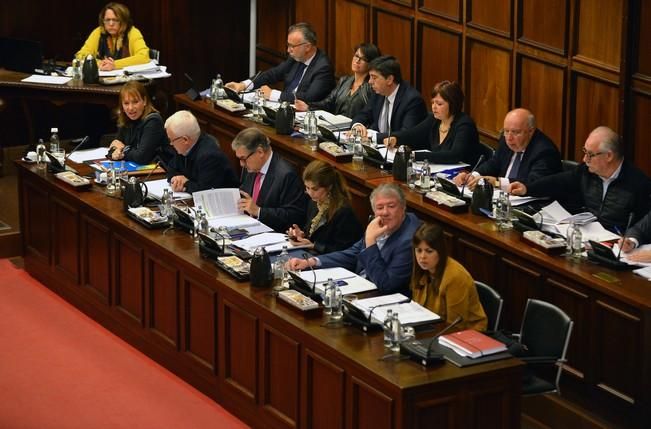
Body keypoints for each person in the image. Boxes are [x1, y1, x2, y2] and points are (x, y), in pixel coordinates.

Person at [509, 126, 651, 231]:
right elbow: (559, 181)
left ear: (609, 156)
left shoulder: (638, 185)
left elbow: (641, 227)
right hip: (585, 234)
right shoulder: (587, 171)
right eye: (584, 152)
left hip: (613, 246)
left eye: (590, 154)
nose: (584, 159)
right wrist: (528, 188)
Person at [287, 183, 422, 294]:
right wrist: (310, 262)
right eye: (380, 208)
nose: (385, 212)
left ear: (403, 207)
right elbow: (352, 254)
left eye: (391, 206)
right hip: (358, 285)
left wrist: (370, 242)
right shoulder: (380, 223)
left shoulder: (410, 239)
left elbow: (386, 284)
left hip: (381, 298)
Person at [453, 108, 561, 190]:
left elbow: (533, 182)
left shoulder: (545, 151)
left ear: (531, 131)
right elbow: (494, 163)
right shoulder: (506, 139)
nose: (509, 138)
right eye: (506, 131)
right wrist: (473, 176)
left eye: (515, 132)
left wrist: (497, 182)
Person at [225, 22, 335, 103]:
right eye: (288, 45)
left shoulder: (323, 68)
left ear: (307, 47)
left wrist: (272, 94)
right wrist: (243, 85)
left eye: (292, 46)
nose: (288, 50)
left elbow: (309, 98)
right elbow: (272, 74)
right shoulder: (295, 58)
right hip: (283, 108)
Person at [410, 223, 487, 331]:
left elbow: (454, 326)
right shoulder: (423, 270)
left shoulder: (455, 277)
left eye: (429, 251)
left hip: (466, 335)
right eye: (418, 250)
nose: (422, 257)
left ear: (440, 251)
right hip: (432, 330)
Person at [385, 80, 482, 165]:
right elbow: (413, 134)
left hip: (463, 177)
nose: (434, 107)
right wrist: (395, 138)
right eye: (432, 102)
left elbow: (454, 155)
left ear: (453, 104)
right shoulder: (435, 119)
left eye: (439, 104)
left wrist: (416, 155)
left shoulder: (465, 125)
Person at [233, 128, 308, 232]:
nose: (241, 164)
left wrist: (259, 211)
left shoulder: (286, 175)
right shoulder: (250, 167)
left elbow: (294, 216)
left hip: (273, 235)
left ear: (260, 152)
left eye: (243, 158)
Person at [286, 160, 363, 254]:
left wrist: (314, 245)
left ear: (329, 187)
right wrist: (301, 236)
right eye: (307, 187)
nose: (310, 193)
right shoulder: (314, 202)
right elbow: (313, 235)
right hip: (312, 255)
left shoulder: (343, 211)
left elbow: (345, 251)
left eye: (315, 189)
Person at [350, 55, 428, 145]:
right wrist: (357, 125)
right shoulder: (378, 93)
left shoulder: (412, 101)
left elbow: (406, 135)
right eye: (370, 77)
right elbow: (364, 114)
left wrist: (373, 137)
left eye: (374, 77)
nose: (370, 82)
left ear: (389, 79)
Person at [294, 43, 380, 118]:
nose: (357, 61)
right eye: (356, 56)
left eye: (363, 59)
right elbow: (328, 102)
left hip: (356, 130)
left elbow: (370, 115)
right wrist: (308, 107)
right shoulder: (344, 81)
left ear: (371, 63)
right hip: (337, 126)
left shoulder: (371, 87)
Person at [161, 110, 238, 193]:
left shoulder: (209, 156)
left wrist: (186, 183)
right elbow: (171, 168)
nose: (171, 143)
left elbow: (205, 191)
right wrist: (175, 178)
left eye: (172, 140)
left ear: (185, 139)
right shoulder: (182, 147)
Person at [76, 2, 150, 71]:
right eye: (107, 20)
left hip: (126, 80)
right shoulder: (98, 32)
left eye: (115, 20)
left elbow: (144, 57)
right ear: (103, 21)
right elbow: (81, 55)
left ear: (123, 21)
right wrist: (99, 63)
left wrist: (115, 65)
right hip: (101, 79)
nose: (111, 24)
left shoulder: (132, 32)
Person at [107, 81, 166, 164]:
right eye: (126, 103)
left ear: (144, 101)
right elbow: (114, 147)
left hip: (156, 171)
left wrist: (122, 150)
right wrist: (115, 151)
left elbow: (142, 157)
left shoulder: (153, 121)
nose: (130, 108)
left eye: (135, 102)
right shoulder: (125, 120)